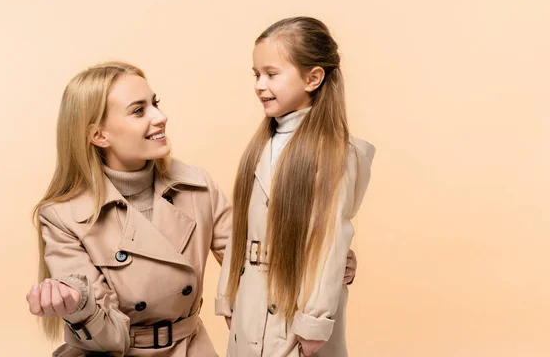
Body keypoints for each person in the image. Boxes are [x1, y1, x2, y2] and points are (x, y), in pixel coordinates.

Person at [25, 61, 358, 356]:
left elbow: (252, 264)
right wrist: (77, 305)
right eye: (139, 110)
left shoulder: (197, 186)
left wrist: (318, 262)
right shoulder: (63, 216)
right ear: (99, 135)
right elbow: (109, 338)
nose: (160, 116)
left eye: (155, 103)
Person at [215, 17, 375, 357]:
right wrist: (228, 295)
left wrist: (314, 321)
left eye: (271, 74)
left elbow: (328, 238)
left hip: (295, 309)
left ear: (313, 78)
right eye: (256, 75)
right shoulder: (260, 144)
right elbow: (242, 227)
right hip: (250, 302)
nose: (259, 85)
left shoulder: (333, 153)